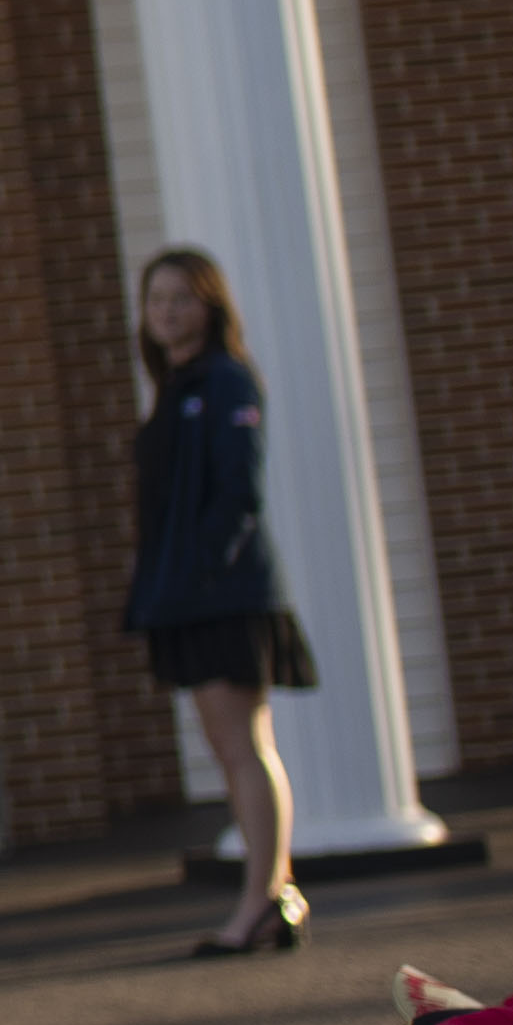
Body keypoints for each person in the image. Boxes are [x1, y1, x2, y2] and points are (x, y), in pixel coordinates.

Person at [128, 245, 309, 959]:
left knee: (243, 748)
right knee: (231, 749)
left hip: (223, 596)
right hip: (183, 596)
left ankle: (261, 902)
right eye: (155, 299)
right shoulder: (173, 387)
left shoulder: (227, 382)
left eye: (180, 297)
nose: (167, 311)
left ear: (210, 306)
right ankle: (276, 891)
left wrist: (202, 572)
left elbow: (239, 493)